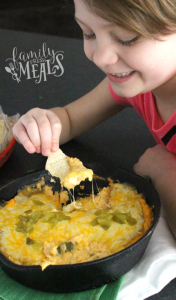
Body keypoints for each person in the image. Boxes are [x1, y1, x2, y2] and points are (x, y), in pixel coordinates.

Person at [13, 0, 176, 238]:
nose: (100, 57)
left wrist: (161, 172)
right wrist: (45, 125)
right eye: (88, 33)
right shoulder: (142, 85)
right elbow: (69, 118)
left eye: (126, 37)